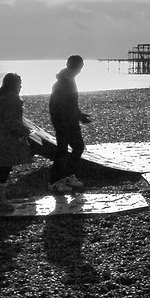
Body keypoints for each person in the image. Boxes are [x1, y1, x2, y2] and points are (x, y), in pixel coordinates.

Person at [0, 73, 33, 213]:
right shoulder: (13, 100)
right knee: (4, 168)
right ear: (14, 85)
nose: (21, 86)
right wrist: (25, 131)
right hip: (7, 139)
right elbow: (12, 122)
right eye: (19, 83)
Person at [49, 55, 91, 194]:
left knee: (78, 147)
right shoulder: (60, 84)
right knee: (62, 151)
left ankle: (69, 176)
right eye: (77, 67)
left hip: (71, 120)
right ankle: (54, 181)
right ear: (69, 65)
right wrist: (61, 124)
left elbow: (72, 103)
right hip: (63, 122)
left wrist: (80, 116)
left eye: (80, 67)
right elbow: (55, 107)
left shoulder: (70, 80)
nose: (79, 70)